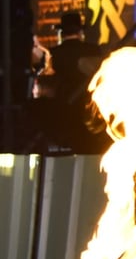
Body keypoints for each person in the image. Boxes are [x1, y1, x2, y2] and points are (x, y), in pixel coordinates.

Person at [37, 10, 109, 154]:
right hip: (89, 110)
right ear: (80, 32)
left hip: (62, 111)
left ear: (61, 33)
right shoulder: (93, 50)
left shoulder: (53, 54)